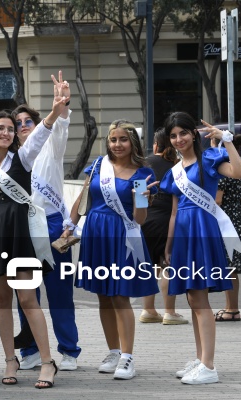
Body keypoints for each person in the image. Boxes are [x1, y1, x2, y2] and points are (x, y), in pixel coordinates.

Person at [0, 72, 67, 389]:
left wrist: (55, 108)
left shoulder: (23, 157)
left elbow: (41, 133)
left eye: (11, 129)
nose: (8, 132)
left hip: (21, 234)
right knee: (1, 299)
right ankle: (11, 360)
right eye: (2, 128)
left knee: (27, 299)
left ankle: (48, 362)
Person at [61, 119, 159, 380]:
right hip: (95, 233)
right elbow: (83, 198)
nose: (117, 144)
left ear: (133, 143)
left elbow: (139, 219)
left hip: (122, 235)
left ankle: (128, 357)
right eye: (113, 139)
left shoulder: (142, 174)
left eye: (123, 139)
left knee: (119, 295)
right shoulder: (97, 166)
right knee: (103, 295)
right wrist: (70, 225)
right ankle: (113, 351)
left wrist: (142, 199)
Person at [161, 112, 241, 384]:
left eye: (183, 133)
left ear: (193, 134)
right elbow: (174, 213)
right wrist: (169, 245)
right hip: (184, 234)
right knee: (192, 299)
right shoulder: (174, 171)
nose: (178, 139)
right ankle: (200, 360)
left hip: (202, 231)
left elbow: (238, 172)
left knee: (200, 300)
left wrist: (227, 140)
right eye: (173, 136)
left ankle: (208, 365)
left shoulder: (209, 159)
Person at [10, 72, 81, 373]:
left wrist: (60, 105)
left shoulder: (50, 148)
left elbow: (60, 129)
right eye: (18, 124)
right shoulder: (10, 159)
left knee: (59, 293)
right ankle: (30, 349)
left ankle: (68, 350)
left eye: (29, 121)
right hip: (22, 229)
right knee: (26, 294)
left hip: (52, 225)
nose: (24, 127)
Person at [139, 128, 188, 325]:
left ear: (156, 145)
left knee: (147, 266)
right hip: (169, 219)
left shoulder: (142, 164)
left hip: (145, 219)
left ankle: (148, 310)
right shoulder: (177, 165)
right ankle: (169, 312)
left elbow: (139, 194)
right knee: (168, 265)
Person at [213, 134, 241, 322]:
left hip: (226, 219)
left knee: (229, 265)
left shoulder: (223, 170)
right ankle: (231, 307)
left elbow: (217, 199)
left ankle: (232, 309)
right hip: (238, 215)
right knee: (232, 264)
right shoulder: (237, 164)